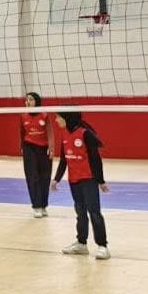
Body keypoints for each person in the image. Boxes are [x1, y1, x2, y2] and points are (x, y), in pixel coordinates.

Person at [51, 110, 110, 260]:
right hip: (74, 180)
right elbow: (64, 159)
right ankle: (81, 244)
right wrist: (56, 179)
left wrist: (100, 181)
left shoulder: (85, 134)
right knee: (80, 212)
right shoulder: (64, 134)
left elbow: (96, 159)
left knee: (94, 212)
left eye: (58, 117)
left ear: (67, 117)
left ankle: (102, 246)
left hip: (88, 179)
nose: (56, 120)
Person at [20, 92, 53, 217]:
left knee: (45, 177)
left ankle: (43, 206)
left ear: (37, 101)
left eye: (31, 99)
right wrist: (21, 147)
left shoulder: (44, 115)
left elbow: (50, 132)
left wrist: (51, 148)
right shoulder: (23, 115)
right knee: (32, 176)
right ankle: (36, 206)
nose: (27, 102)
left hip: (44, 149)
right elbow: (21, 132)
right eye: (26, 100)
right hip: (29, 148)